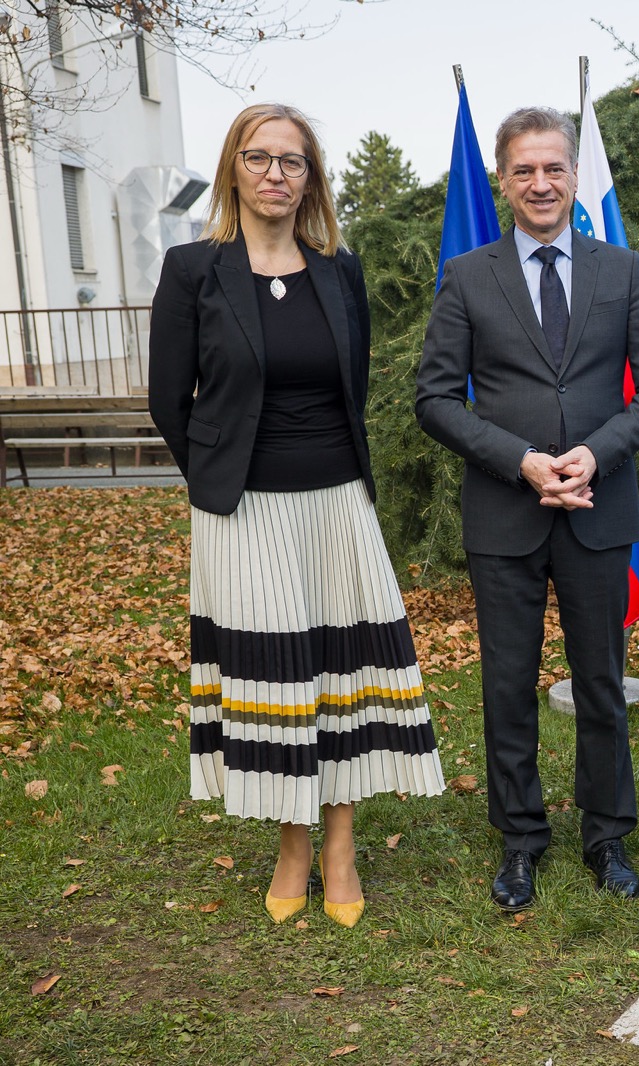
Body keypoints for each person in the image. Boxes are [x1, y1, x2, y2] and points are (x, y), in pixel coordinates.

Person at [149, 103, 446, 928]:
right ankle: (292, 845)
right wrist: (220, 479)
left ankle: (342, 843)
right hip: (244, 509)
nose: (276, 175)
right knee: (275, 680)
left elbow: (351, 388)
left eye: (294, 161)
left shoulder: (338, 270)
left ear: (311, 177)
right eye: (260, 158)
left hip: (338, 503)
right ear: (232, 169)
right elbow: (169, 402)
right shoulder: (192, 272)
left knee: (343, 673)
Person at [415, 106, 639, 910]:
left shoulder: (619, 269)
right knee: (506, 684)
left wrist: (595, 451)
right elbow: (433, 398)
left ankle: (607, 837)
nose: (540, 183)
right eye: (524, 170)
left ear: (573, 175)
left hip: (598, 505)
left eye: (553, 168)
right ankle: (521, 840)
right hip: (506, 512)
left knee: (600, 681)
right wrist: (522, 462)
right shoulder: (468, 275)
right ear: (503, 179)